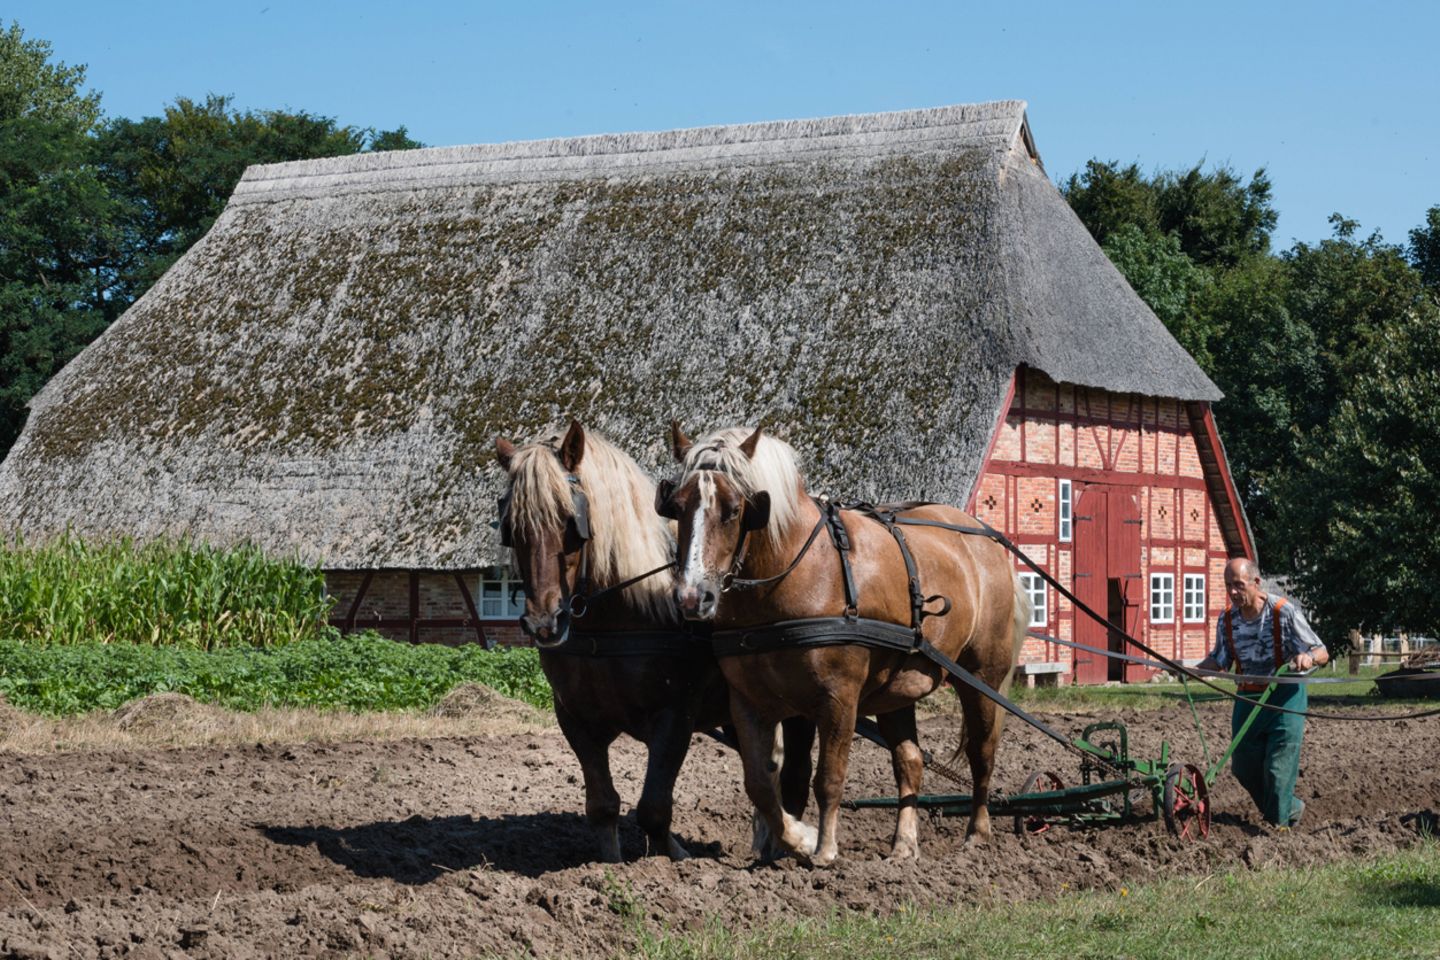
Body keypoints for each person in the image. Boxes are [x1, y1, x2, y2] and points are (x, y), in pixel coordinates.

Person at [1193, 558, 1328, 828]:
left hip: (1284, 698)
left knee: (1278, 771)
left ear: (1256, 583)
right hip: (1248, 697)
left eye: (1238, 585)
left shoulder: (1282, 612)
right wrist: (1192, 670)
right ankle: (1290, 809)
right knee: (1243, 767)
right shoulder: (1227, 620)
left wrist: (1307, 658)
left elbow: (1321, 651)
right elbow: (1219, 660)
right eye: (1228, 585)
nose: (1232, 592)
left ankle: (1278, 834)